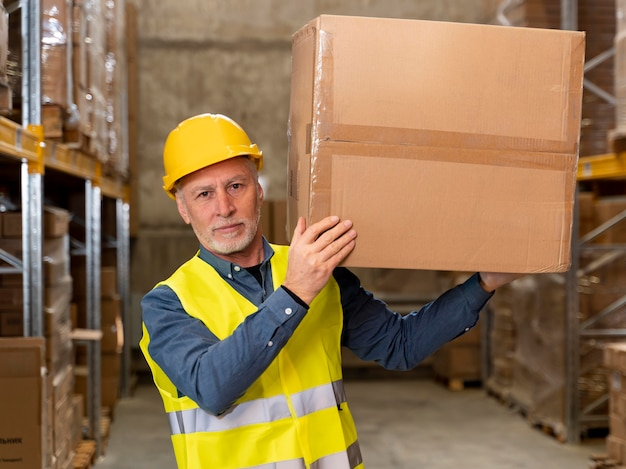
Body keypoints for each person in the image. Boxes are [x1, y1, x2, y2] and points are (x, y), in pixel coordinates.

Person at [140, 113, 521, 469]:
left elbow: (400, 345)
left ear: (258, 189)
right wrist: (295, 294)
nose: (224, 207)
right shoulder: (168, 303)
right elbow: (212, 387)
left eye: (235, 186)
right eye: (204, 194)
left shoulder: (319, 269)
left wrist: (483, 282)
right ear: (183, 208)